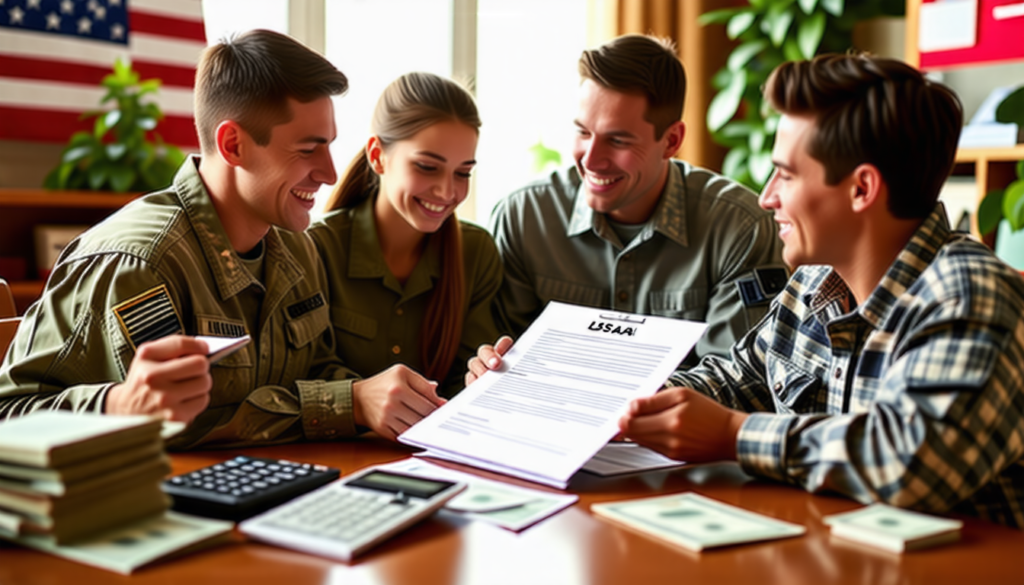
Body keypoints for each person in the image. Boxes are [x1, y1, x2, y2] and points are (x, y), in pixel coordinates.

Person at [614, 53, 1024, 527]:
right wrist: (617, 401)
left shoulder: (970, 298)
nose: (767, 196)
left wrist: (734, 434)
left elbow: (911, 464)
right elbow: (736, 381)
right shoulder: (814, 281)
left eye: (785, 174)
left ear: (861, 189)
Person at [0, 30, 436, 448]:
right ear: (233, 145)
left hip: (263, 488)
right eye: (308, 150)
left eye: (329, 147)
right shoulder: (139, 263)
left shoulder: (297, 248)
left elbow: (314, 371)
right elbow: (14, 415)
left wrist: (379, 398)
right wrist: (348, 405)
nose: (330, 173)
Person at [490, 34, 785, 365]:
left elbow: (735, 382)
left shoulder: (740, 228)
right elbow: (502, 355)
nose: (591, 160)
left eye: (617, 140)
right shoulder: (523, 218)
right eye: (583, 132)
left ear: (671, 140)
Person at [307, 72, 501, 415]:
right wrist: (358, 398)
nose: (447, 192)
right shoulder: (316, 248)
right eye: (427, 167)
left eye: (463, 173)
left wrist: (483, 379)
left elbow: (463, 381)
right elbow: (301, 377)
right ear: (378, 155)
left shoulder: (477, 252)